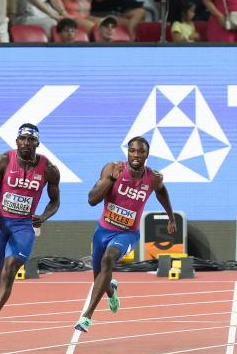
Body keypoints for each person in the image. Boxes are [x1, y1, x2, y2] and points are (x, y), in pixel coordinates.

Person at [0, 123, 61, 350]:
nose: (26, 143)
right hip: (0, 225)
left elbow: (55, 201)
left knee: (10, 269)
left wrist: (44, 216)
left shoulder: (49, 170)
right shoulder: (2, 161)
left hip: (23, 228)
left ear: (37, 143)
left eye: (31, 140)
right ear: (16, 141)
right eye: (22, 139)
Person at [74, 136, 174, 333]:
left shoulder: (153, 178)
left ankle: (86, 317)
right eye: (132, 151)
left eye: (141, 151)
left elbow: (161, 192)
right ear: (127, 152)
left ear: (147, 154)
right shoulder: (112, 168)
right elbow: (92, 200)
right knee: (100, 278)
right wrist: (112, 179)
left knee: (108, 259)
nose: (136, 155)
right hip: (102, 232)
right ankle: (111, 291)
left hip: (127, 234)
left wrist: (171, 217)